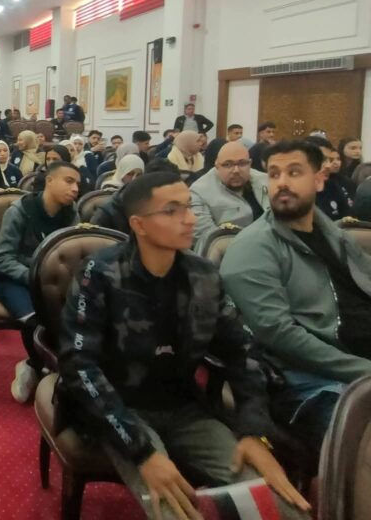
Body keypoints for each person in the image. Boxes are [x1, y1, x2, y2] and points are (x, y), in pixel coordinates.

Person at [60, 172, 310, 520]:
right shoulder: (99, 273)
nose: (190, 219)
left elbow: (242, 350)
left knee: (275, 501)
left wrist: (254, 430)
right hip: (120, 409)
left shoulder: (203, 275)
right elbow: (78, 364)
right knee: (174, 509)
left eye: (189, 207)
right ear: (139, 225)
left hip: (184, 408)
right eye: (172, 210)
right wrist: (142, 452)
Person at [222, 140, 371, 451]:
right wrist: (363, 371)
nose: (282, 183)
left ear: (319, 179)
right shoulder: (252, 249)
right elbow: (279, 334)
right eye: (274, 174)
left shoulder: (331, 233)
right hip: (310, 380)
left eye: (294, 172)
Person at [0, 160, 81, 403]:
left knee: (77, 319)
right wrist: (37, 277)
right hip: (14, 279)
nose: (75, 189)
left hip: (53, 283)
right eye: (69, 181)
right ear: (49, 181)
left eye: (78, 184)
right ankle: (32, 365)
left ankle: (49, 367)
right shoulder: (20, 211)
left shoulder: (71, 213)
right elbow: (2, 259)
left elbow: (72, 256)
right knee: (36, 322)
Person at [188, 140, 269, 252]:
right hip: (228, 253)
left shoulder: (265, 180)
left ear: (250, 163)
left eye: (242, 163)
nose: (236, 170)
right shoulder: (199, 191)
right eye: (227, 165)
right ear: (217, 166)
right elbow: (205, 238)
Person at [309, 136, 354, 221]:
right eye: (322, 159)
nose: (328, 166)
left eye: (328, 160)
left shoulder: (333, 187)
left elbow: (347, 219)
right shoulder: (295, 192)